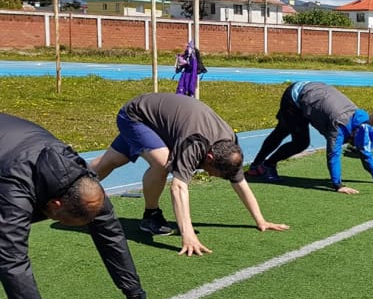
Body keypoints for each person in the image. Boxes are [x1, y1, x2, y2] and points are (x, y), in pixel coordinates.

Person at [0, 113, 170, 299]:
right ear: (55, 204)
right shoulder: (15, 189)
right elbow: (13, 261)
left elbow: (110, 235)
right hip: (10, 161)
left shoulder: (85, 185)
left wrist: (135, 297)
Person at [90, 93, 289, 257]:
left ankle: (74, 185)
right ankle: (151, 216)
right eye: (212, 172)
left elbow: (240, 182)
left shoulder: (230, 149)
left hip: (156, 121)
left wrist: (260, 220)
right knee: (163, 163)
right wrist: (188, 234)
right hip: (136, 116)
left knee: (111, 161)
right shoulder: (194, 144)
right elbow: (178, 187)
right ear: (209, 157)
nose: (210, 175)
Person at [245, 81, 373, 194]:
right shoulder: (339, 126)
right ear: (352, 134)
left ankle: (256, 167)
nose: (350, 143)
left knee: (286, 133)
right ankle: (266, 165)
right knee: (296, 140)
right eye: (351, 142)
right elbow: (333, 155)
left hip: (312, 95)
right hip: (295, 97)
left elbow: (365, 150)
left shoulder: (362, 124)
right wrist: (338, 185)